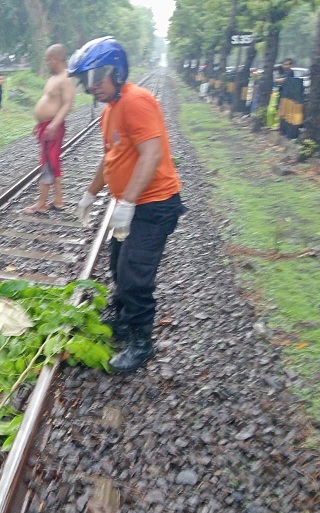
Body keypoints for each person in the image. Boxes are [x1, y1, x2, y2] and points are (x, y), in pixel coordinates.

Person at [68, 36, 186, 373]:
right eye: (85, 82)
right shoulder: (110, 110)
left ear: (115, 71)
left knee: (135, 277)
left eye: (94, 79)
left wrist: (128, 202)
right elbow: (111, 157)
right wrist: (91, 194)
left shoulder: (137, 101)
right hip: (130, 204)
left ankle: (141, 342)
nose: (90, 88)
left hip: (154, 205)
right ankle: (121, 319)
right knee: (119, 265)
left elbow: (152, 154)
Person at [22, 44, 74, 214]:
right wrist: (39, 124)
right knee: (53, 163)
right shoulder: (54, 78)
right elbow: (48, 101)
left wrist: (53, 124)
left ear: (56, 59)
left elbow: (67, 104)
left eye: (49, 60)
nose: (47, 63)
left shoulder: (65, 78)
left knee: (48, 164)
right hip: (46, 126)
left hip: (53, 127)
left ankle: (41, 204)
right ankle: (58, 200)